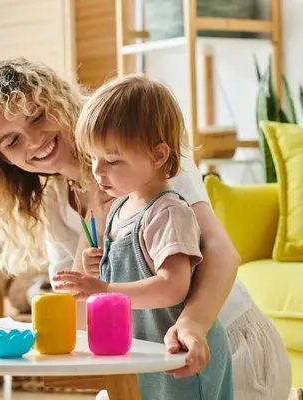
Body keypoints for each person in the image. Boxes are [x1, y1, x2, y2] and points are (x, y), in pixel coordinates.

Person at [0, 57, 291, 399]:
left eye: (39, 116)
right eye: (12, 141)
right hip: (150, 361)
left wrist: (192, 324)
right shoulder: (56, 202)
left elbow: (221, 252)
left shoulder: (144, 150)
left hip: (222, 342)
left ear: (58, 101)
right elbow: (79, 317)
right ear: (1, 158)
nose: (33, 140)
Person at [53, 75, 234, 399]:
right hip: (148, 353)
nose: (97, 171)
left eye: (112, 160)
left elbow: (172, 286)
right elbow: (132, 270)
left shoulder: (167, 211)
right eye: (93, 158)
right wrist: (99, 266)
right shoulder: (121, 207)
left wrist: (104, 289)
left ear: (157, 156)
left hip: (182, 355)